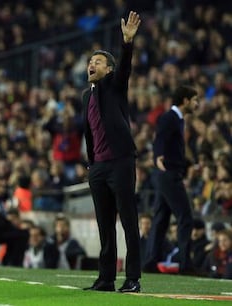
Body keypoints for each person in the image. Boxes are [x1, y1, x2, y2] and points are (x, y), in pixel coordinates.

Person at [82, 11, 142, 293]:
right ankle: (106, 278)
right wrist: (91, 162)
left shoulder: (115, 86)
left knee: (128, 221)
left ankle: (133, 278)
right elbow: (89, 131)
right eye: (90, 61)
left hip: (120, 162)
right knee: (105, 226)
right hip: (99, 168)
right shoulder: (87, 95)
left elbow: (126, 68)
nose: (91, 64)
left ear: (108, 69)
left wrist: (127, 43)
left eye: (98, 61)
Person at [143, 85, 199, 275]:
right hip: (168, 174)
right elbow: (160, 139)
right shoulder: (170, 117)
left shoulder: (178, 119)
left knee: (161, 218)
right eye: (195, 100)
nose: (197, 103)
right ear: (185, 101)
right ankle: (185, 264)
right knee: (185, 217)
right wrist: (158, 155)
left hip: (166, 173)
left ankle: (150, 262)